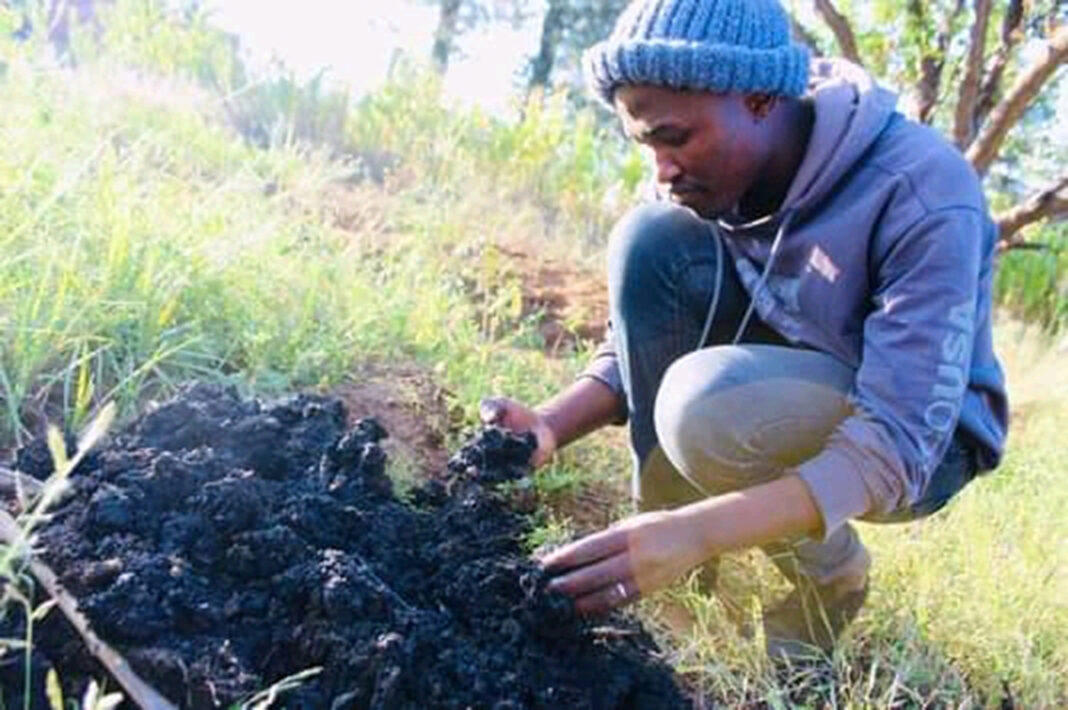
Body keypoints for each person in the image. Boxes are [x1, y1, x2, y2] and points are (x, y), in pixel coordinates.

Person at [480, 0, 1008, 657]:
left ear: (759, 99)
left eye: (674, 138)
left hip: (923, 438)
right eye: (645, 144)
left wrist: (697, 530)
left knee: (706, 407)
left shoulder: (921, 187)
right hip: (782, 372)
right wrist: (550, 426)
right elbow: (646, 332)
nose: (660, 168)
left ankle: (830, 582)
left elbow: (898, 442)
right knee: (651, 238)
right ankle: (668, 556)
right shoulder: (714, 176)